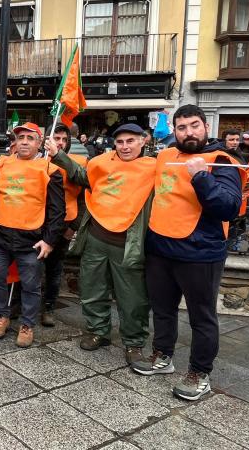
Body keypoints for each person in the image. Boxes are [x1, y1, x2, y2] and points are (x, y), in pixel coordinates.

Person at [133, 105, 242, 402]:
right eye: (182, 127)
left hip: (200, 253)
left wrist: (201, 177)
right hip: (160, 248)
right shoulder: (166, 155)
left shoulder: (222, 161)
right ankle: (162, 356)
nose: (188, 132)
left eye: (194, 125)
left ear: (206, 126)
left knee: (201, 317)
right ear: (174, 131)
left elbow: (228, 208)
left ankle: (199, 373)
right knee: (163, 309)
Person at [45, 123, 156, 367]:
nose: (125, 146)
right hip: (96, 238)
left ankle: (134, 343)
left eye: (130, 141)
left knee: (132, 297)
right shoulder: (101, 161)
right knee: (92, 289)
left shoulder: (154, 167)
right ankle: (98, 331)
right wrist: (58, 155)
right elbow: (82, 176)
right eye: (120, 142)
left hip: (128, 243)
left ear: (142, 141)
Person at [0, 123, 65, 348]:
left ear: (39, 143)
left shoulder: (50, 170)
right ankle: (2, 316)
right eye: (21, 138)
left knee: (30, 285)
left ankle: (27, 324)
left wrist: (49, 240)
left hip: (31, 239)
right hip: (1, 236)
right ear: (15, 142)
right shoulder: (2, 165)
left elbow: (58, 211)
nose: (25, 142)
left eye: (30, 138)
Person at [42, 123, 88, 326]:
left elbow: (84, 198)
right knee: (29, 267)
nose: (60, 143)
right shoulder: (37, 160)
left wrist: (73, 227)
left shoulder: (77, 163)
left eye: (64, 139)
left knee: (54, 269)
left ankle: (49, 307)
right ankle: (23, 303)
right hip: (35, 223)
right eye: (56, 138)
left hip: (64, 223)